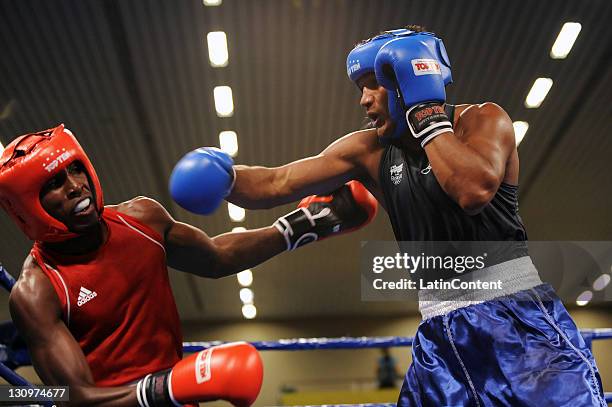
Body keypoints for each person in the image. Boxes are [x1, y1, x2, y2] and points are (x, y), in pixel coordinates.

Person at [183, 26, 607, 406]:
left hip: (517, 321)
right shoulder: (368, 150)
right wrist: (223, 177)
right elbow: (278, 182)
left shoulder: (482, 120)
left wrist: (426, 114)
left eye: (374, 85)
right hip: (440, 332)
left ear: (410, 80)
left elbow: (472, 190)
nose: (363, 99)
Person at [0, 124, 377, 406]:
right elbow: (74, 397)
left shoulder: (141, 219)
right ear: (26, 205)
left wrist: (307, 223)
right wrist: (171, 385)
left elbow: (215, 257)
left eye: (75, 170)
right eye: (53, 183)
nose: (74, 186)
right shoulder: (37, 290)